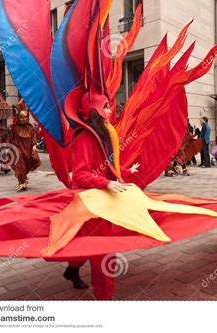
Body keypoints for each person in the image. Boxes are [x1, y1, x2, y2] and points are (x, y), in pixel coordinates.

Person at [65, 93, 141, 297]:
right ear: (95, 110)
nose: (110, 111)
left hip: (103, 199)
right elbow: (81, 174)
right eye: (106, 107)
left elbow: (106, 166)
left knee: (87, 243)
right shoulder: (84, 137)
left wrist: (125, 173)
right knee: (104, 250)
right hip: (90, 202)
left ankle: (72, 270)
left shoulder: (103, 133)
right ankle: (104, 297)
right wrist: (106, 183)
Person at [8, 101, 41, 192]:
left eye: (24, 117)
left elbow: (33, 137)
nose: (22, 119)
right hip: (17, 149)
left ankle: (24, 178)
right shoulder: (14, 128)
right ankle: (22, 182)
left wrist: (34, 145)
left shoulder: (31, 128)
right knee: (20, 165)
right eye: (21, 118)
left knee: (26, 165)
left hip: (27, 149)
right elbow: (10, 138)